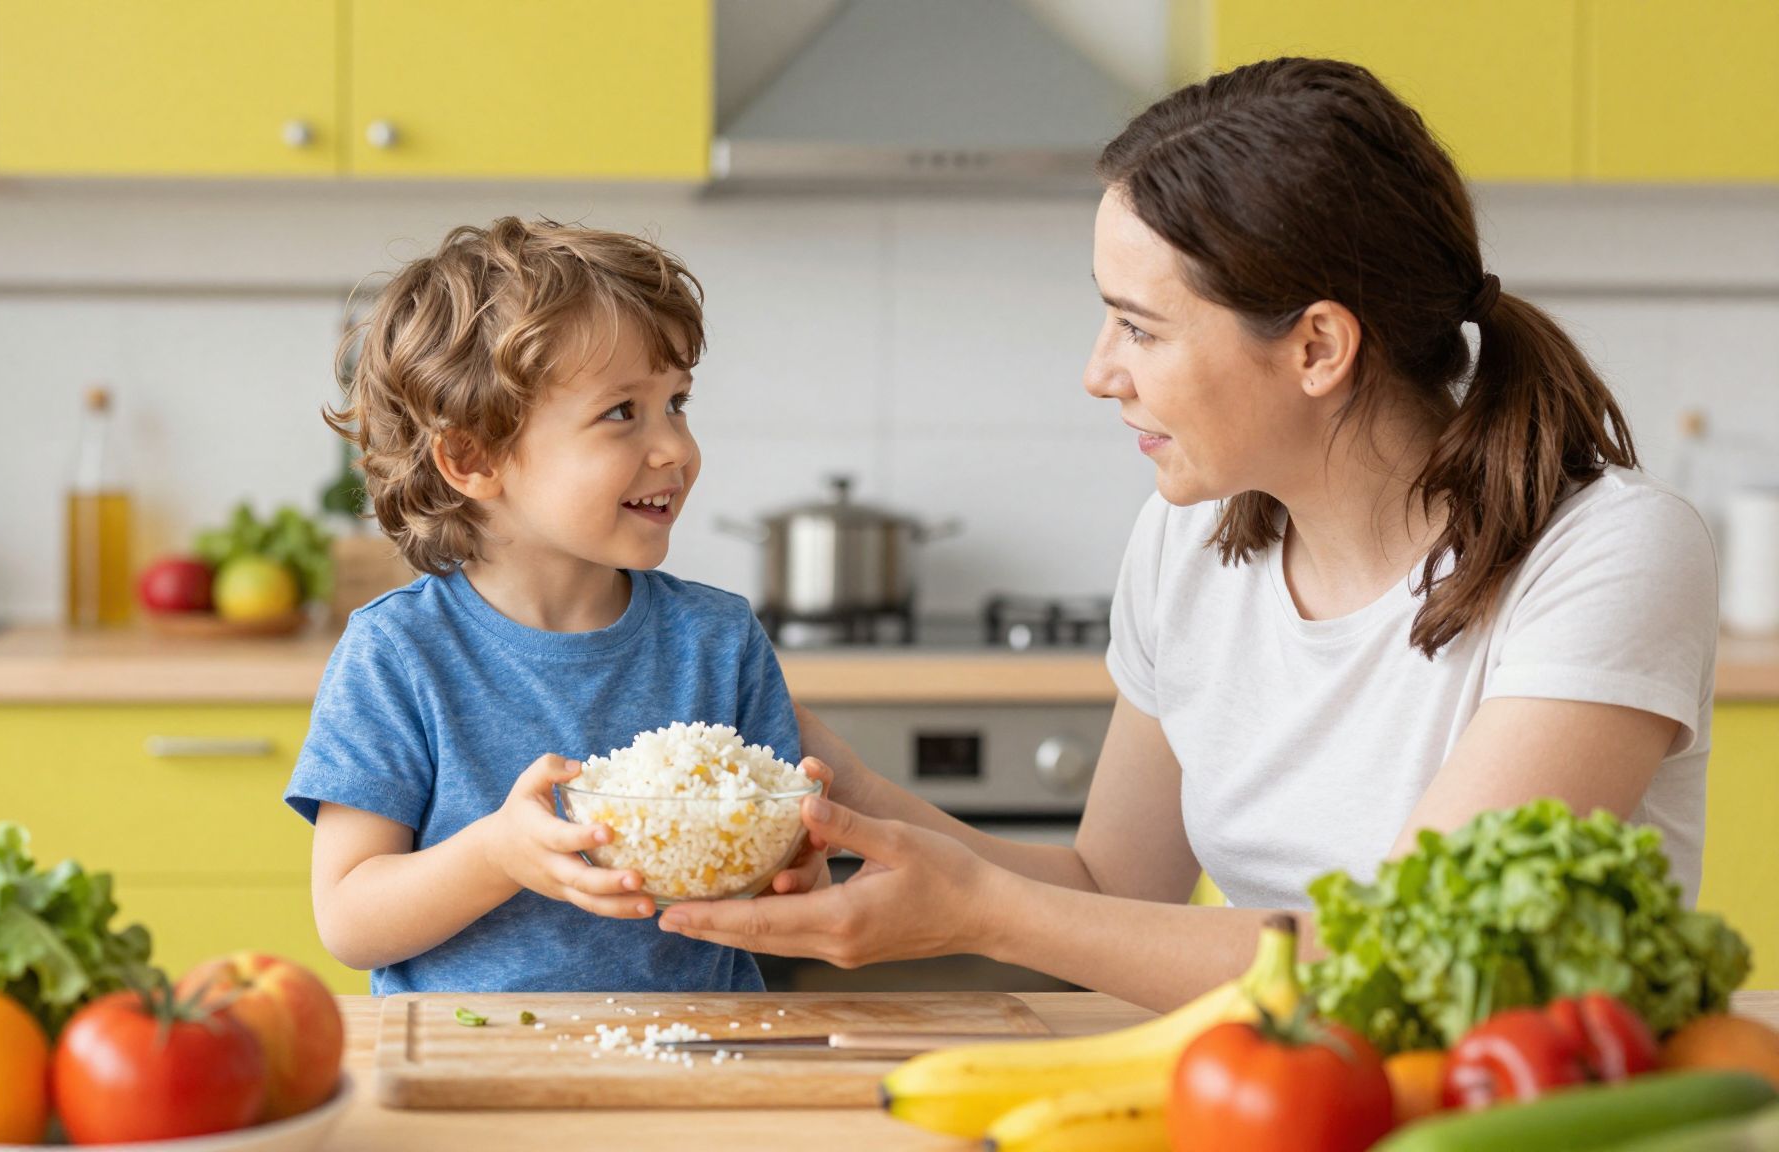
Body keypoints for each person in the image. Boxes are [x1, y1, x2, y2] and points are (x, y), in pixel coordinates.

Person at [657, 57, 1718, 1011]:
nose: (1097, 371)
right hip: (1275, 1105)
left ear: (1315, 347)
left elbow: (1410, 963)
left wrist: (981, 913)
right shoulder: (1195, 544)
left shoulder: (1605, 553)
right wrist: (841, 792)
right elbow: (1113, 893)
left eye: (1138, 326)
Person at [286, 217, 800, 994]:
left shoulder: (717, 639)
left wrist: (791, 866)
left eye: (678, 403)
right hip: (476, 1074)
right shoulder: (399, 653)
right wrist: (497, 855)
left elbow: (775, 876)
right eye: (623, 412)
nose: (676, 449)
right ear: (472, 457)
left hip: (698, 1066)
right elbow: (349, 920)